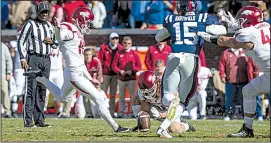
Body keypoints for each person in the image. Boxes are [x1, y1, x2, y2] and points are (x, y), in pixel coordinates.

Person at [24, 7, 130, 133]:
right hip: (74, 74)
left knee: (62, 99)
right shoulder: (67, 28)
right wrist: (57, 29)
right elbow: (60, 37)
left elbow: (80, 61)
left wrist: (90, 79)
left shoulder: (79, 33)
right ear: (81, 19)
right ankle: (116, 127)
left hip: (74, 71)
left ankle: (39, 77)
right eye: (87, 21)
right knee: (99, 98)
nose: (88, 24)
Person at [154, 0, 226, 138]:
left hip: (173, 57)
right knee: (183, 100)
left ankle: (173, 109)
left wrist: (172, 33)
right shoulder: (201, 18)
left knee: (166, 96)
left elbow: (158, 37)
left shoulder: (171, 18)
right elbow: (221, 31)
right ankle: (164, 126)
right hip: (190, 58)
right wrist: (221, 22)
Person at [197, 6, 270, 138]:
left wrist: (208, 37)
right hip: (268, 74)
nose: (238, 22)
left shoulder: (249, 33)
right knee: (248, 90)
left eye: (241, 20)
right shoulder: (265, 26)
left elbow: (229, 42)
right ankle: (248, 129)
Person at [18, 1, 58, 128]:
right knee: (31, 89)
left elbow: (57, 44)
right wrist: (23, 58)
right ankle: (28, 121)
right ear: (38, 12)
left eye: (46, 12)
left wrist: (51, 42)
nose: (44, 14)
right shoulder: (30, 24)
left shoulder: (50, 27)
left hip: (46, 60)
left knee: (42, 90)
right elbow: (21, 42)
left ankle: (40, 120)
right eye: (42, 12)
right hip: (33, 58)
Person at [112, 36, 142, 118]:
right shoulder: (118, 53)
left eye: (128, 43)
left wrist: (132, 71)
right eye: (125, 43)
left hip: (131, 78)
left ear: (131, 44)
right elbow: (114, 65)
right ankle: (121, 113)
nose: (126, 45)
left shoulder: (134, 53)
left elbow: (139, 66)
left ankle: (133, 113)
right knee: (121, 97)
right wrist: (120, 71)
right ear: (122, 43)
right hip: (121, 79)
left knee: (132, 97)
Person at [99, 32, 123, 116]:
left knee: (113, 94)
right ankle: (103, 112)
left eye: (116, 38)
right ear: (110, 39)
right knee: (103, 93)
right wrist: (100, 73)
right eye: (113, 38)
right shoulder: (103, 47)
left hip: (115, 74)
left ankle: (111, 112)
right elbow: (100, 61)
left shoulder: (120, 48)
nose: (115, 40)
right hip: (106, 73)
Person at [1, 42, 13, 118]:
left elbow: (8, 60)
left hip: (2, 75)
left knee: (4, 92)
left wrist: (8, 72)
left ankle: (7, 111)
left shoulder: (3, 46)